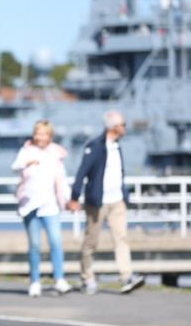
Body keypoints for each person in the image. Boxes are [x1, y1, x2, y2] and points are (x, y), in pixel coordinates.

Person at [68, 110, 145, 294]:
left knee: (121, 238)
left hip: (117, 200)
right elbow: (82, 172)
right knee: (91, 242)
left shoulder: (117, 146)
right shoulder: (94, 146)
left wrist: (125, 196)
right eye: (123, 124)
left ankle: (126, 276)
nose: (125, 128)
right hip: (98, 202)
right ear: (114, 127)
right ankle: (88, 278)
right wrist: (74, 197)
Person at [11, 120, 72, 297]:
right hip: (30, 205)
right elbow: (14, 167)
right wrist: (26, 163)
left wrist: (68, 199)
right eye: (37, 133)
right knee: (35, 245)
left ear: (50, 136)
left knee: (56, 242)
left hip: (50, 204)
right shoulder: (26, 151)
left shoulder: (55, 155)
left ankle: (59, 279)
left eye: (43, 134)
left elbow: (61, 179)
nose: (40, 137)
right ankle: (35, 281)